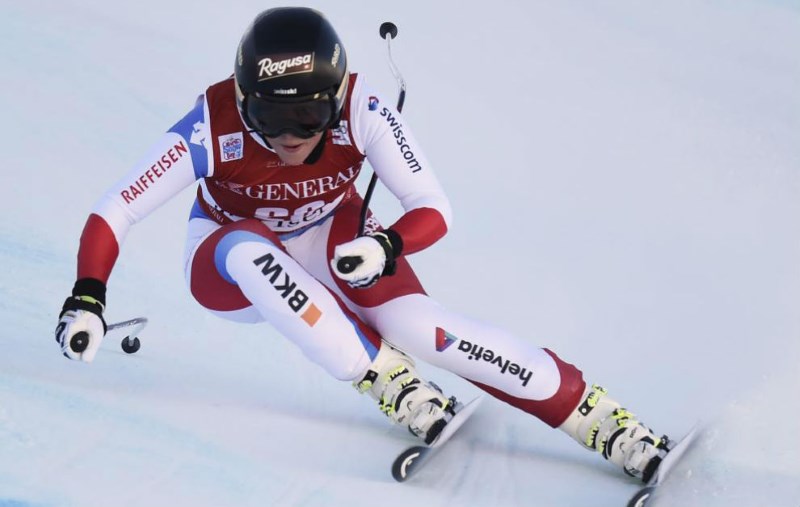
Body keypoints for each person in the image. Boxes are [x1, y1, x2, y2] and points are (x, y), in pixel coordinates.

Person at [55, 7, 671, 482]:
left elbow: (434, 209)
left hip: (337, 235)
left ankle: (594, 415)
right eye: (269, 119)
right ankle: (386, 381)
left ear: (336, 98)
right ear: (244, 103)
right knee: (248, 249)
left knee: (421, 329)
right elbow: (117, 207)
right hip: (226, 254)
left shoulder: (364, 106)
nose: (289, 138)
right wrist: (88, 296)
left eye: (309, 119)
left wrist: (387, 247)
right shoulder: (211, 124)